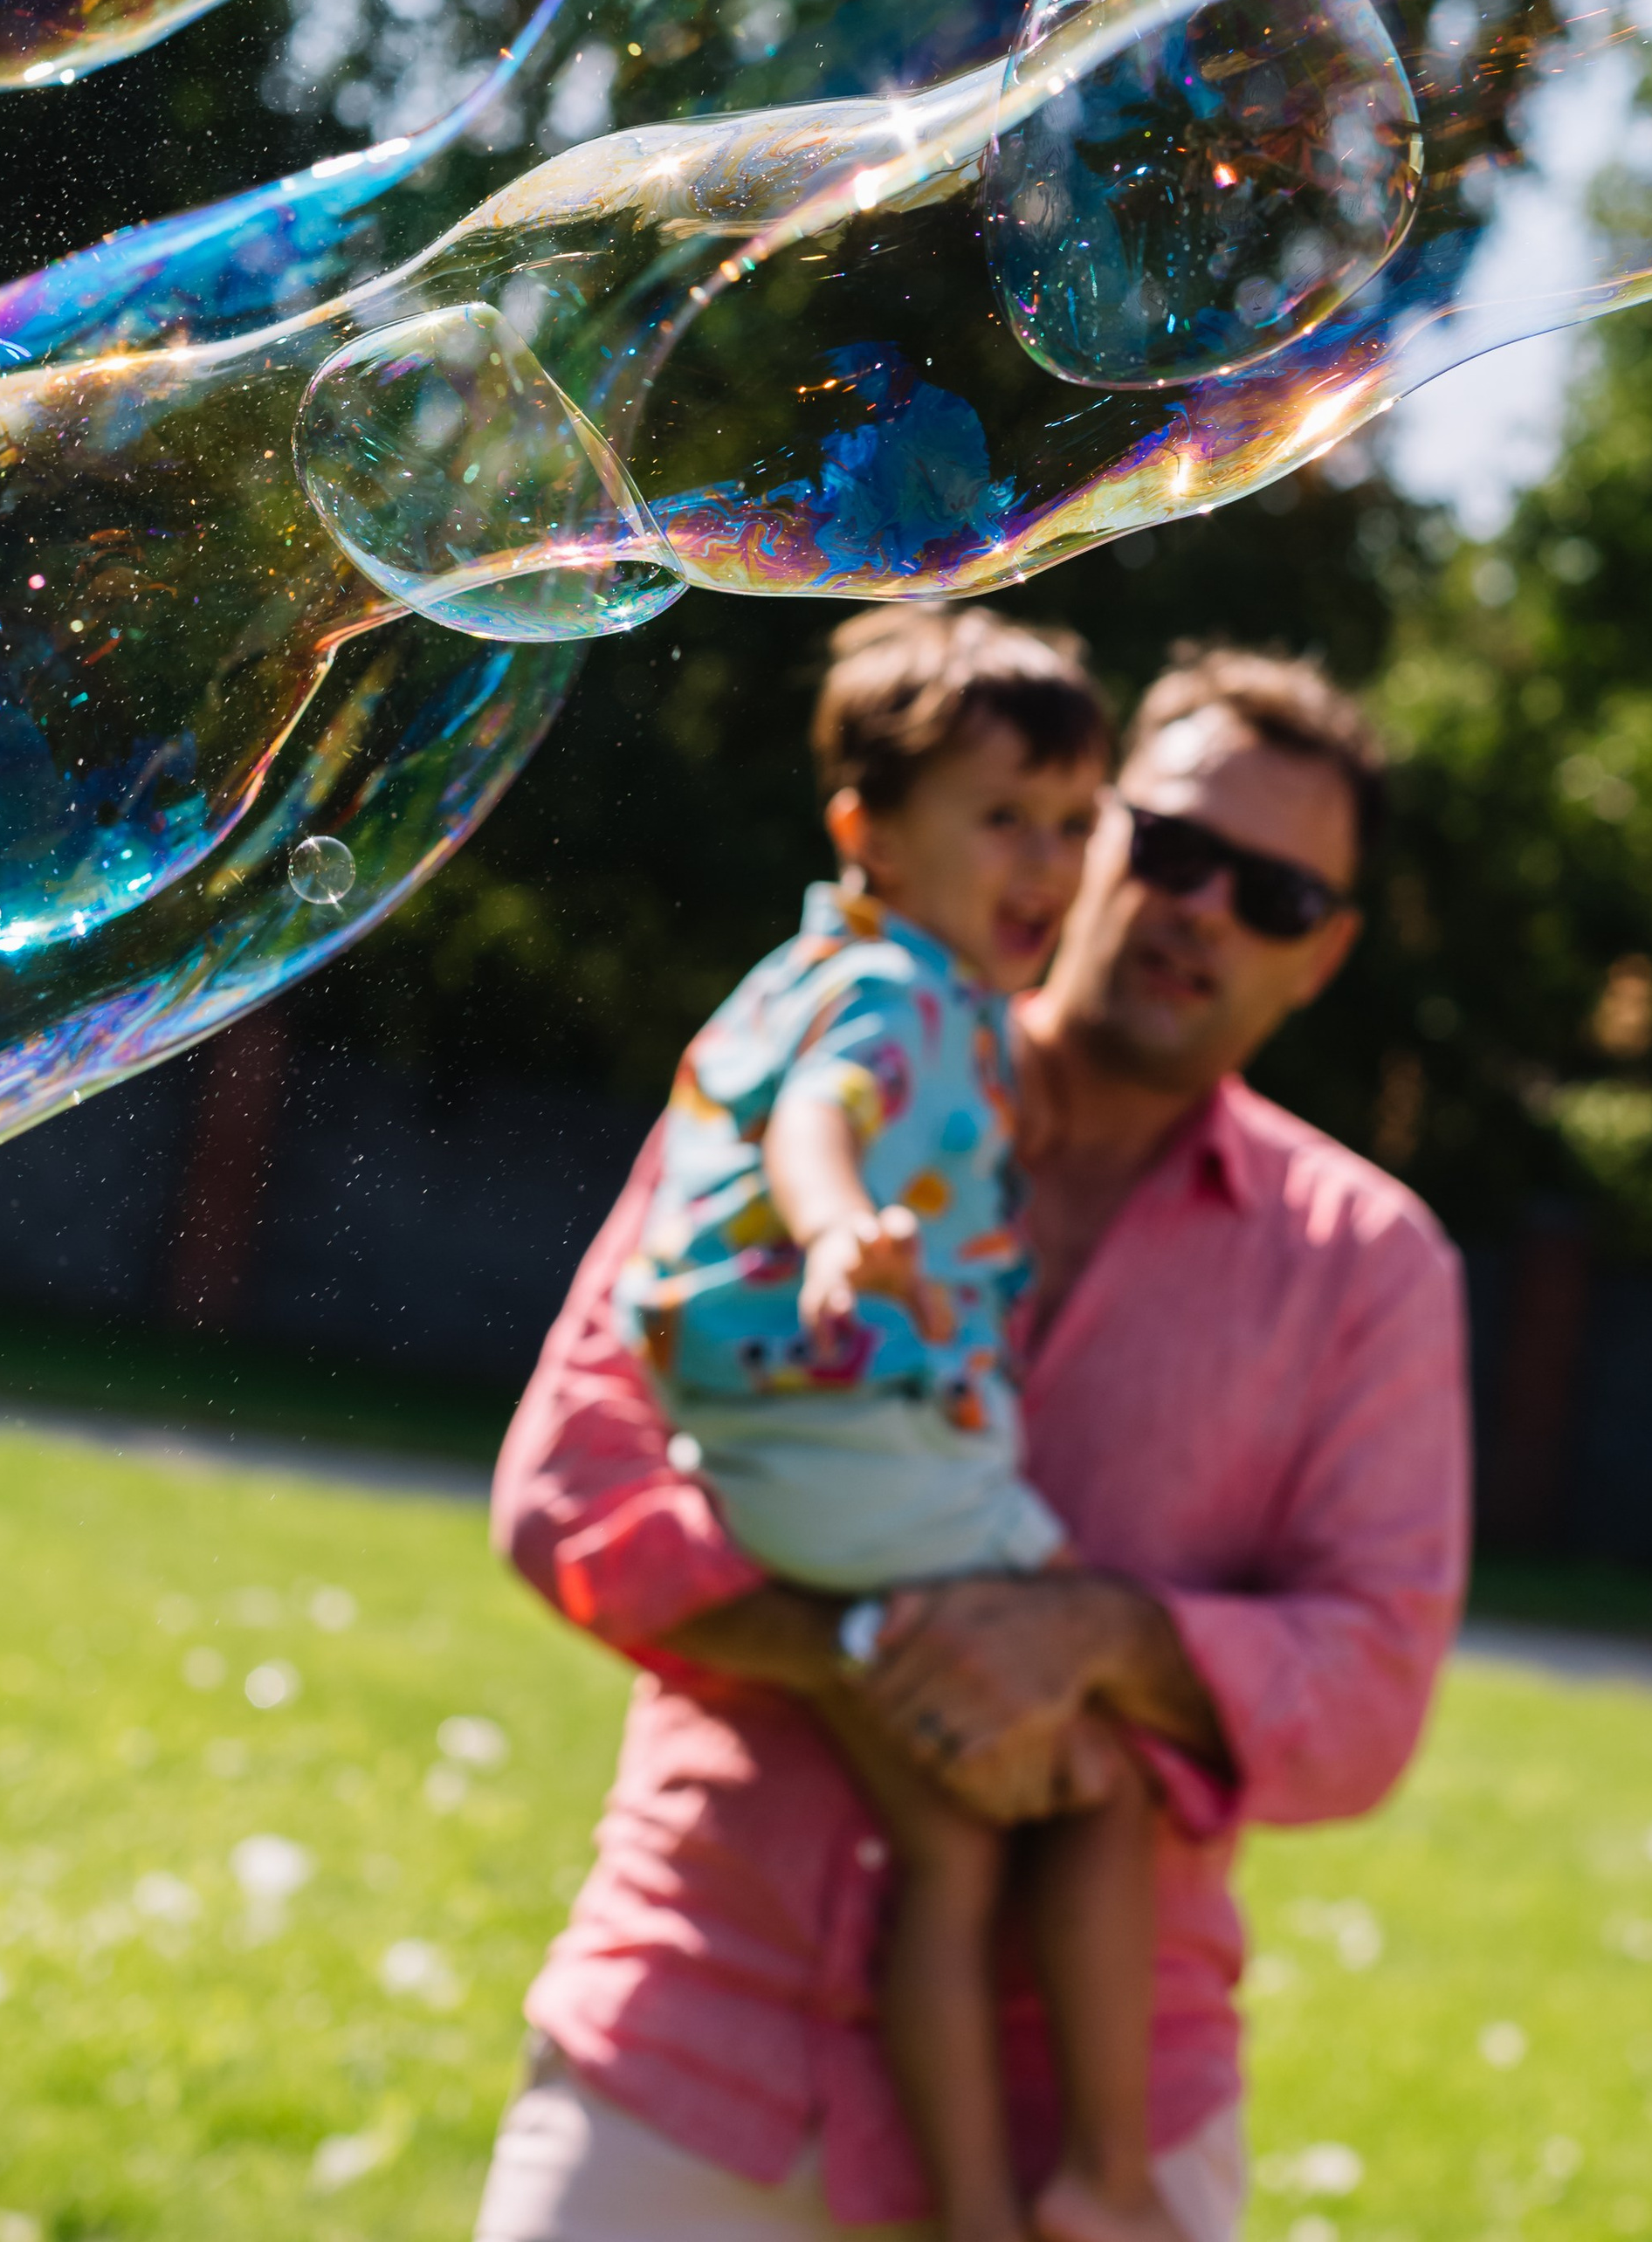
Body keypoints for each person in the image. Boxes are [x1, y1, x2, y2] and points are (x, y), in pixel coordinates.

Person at [478, 641, 1470, 2242]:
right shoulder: (821, 1061)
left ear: (1324, 955)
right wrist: (871, 1652)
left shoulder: (1369, 1265)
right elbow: (567, 1489)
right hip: (704, 2022)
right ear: (1091, 831)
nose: (1207, 907)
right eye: (1175, 846)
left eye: (1274, 898)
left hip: (1092, 2110)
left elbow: (1365, 1697)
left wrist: (1089, 1639)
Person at [614, 604, 1177, 2242]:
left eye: (1076, 826)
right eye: (1003, 818)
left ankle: (983, 2219)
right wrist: (840, 1218)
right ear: (869, 831)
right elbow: (823, 1113)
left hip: (774, 1470)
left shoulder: (815, 970)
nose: (1050, 864)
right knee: (1107, 1783)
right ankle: (1113, 2184)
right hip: (876, 1466)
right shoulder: (901, 991)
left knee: (949, 1855)